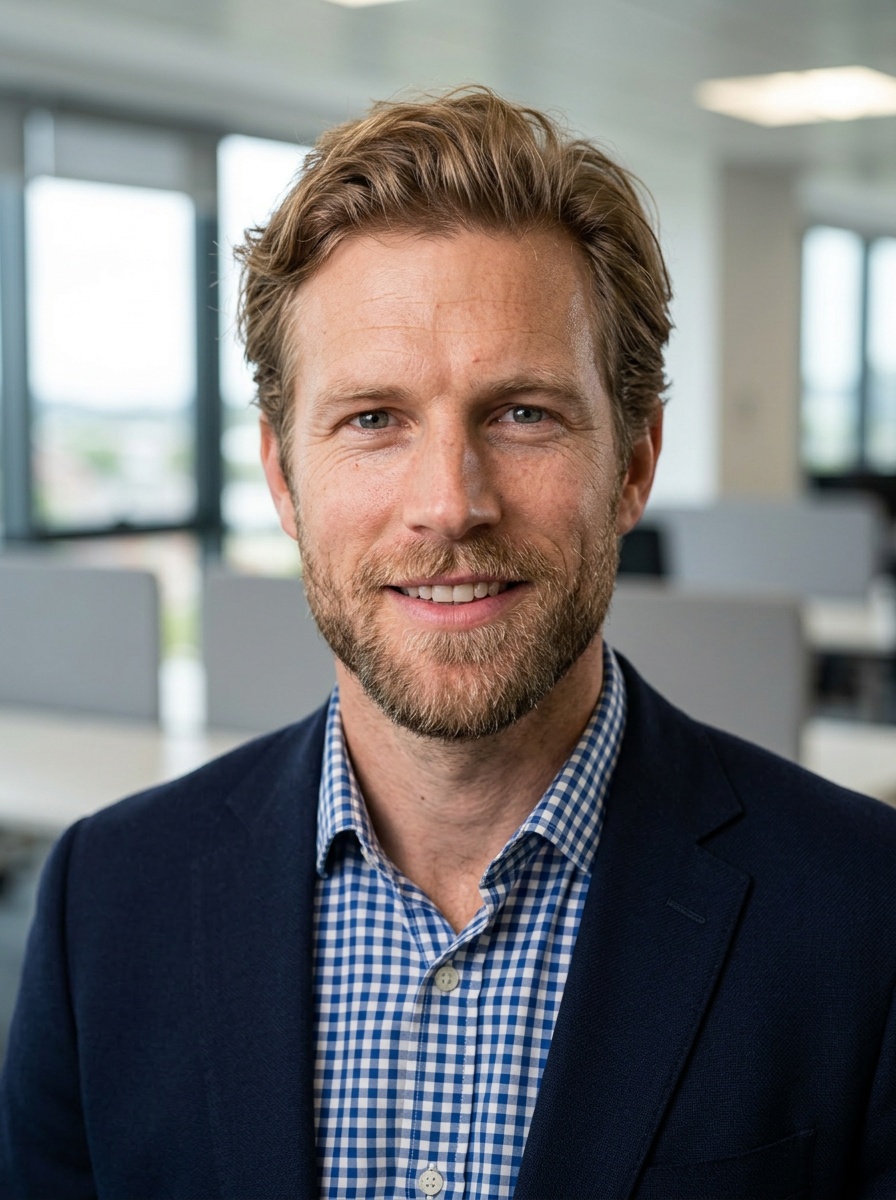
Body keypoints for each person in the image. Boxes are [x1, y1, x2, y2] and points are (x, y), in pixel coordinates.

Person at [1, 87, 894, 1200]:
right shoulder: (106, 902)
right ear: (283, 478)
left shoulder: (864, 914)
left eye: (521, 412)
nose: (448, 504)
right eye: (372, 418)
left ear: (631, 464)